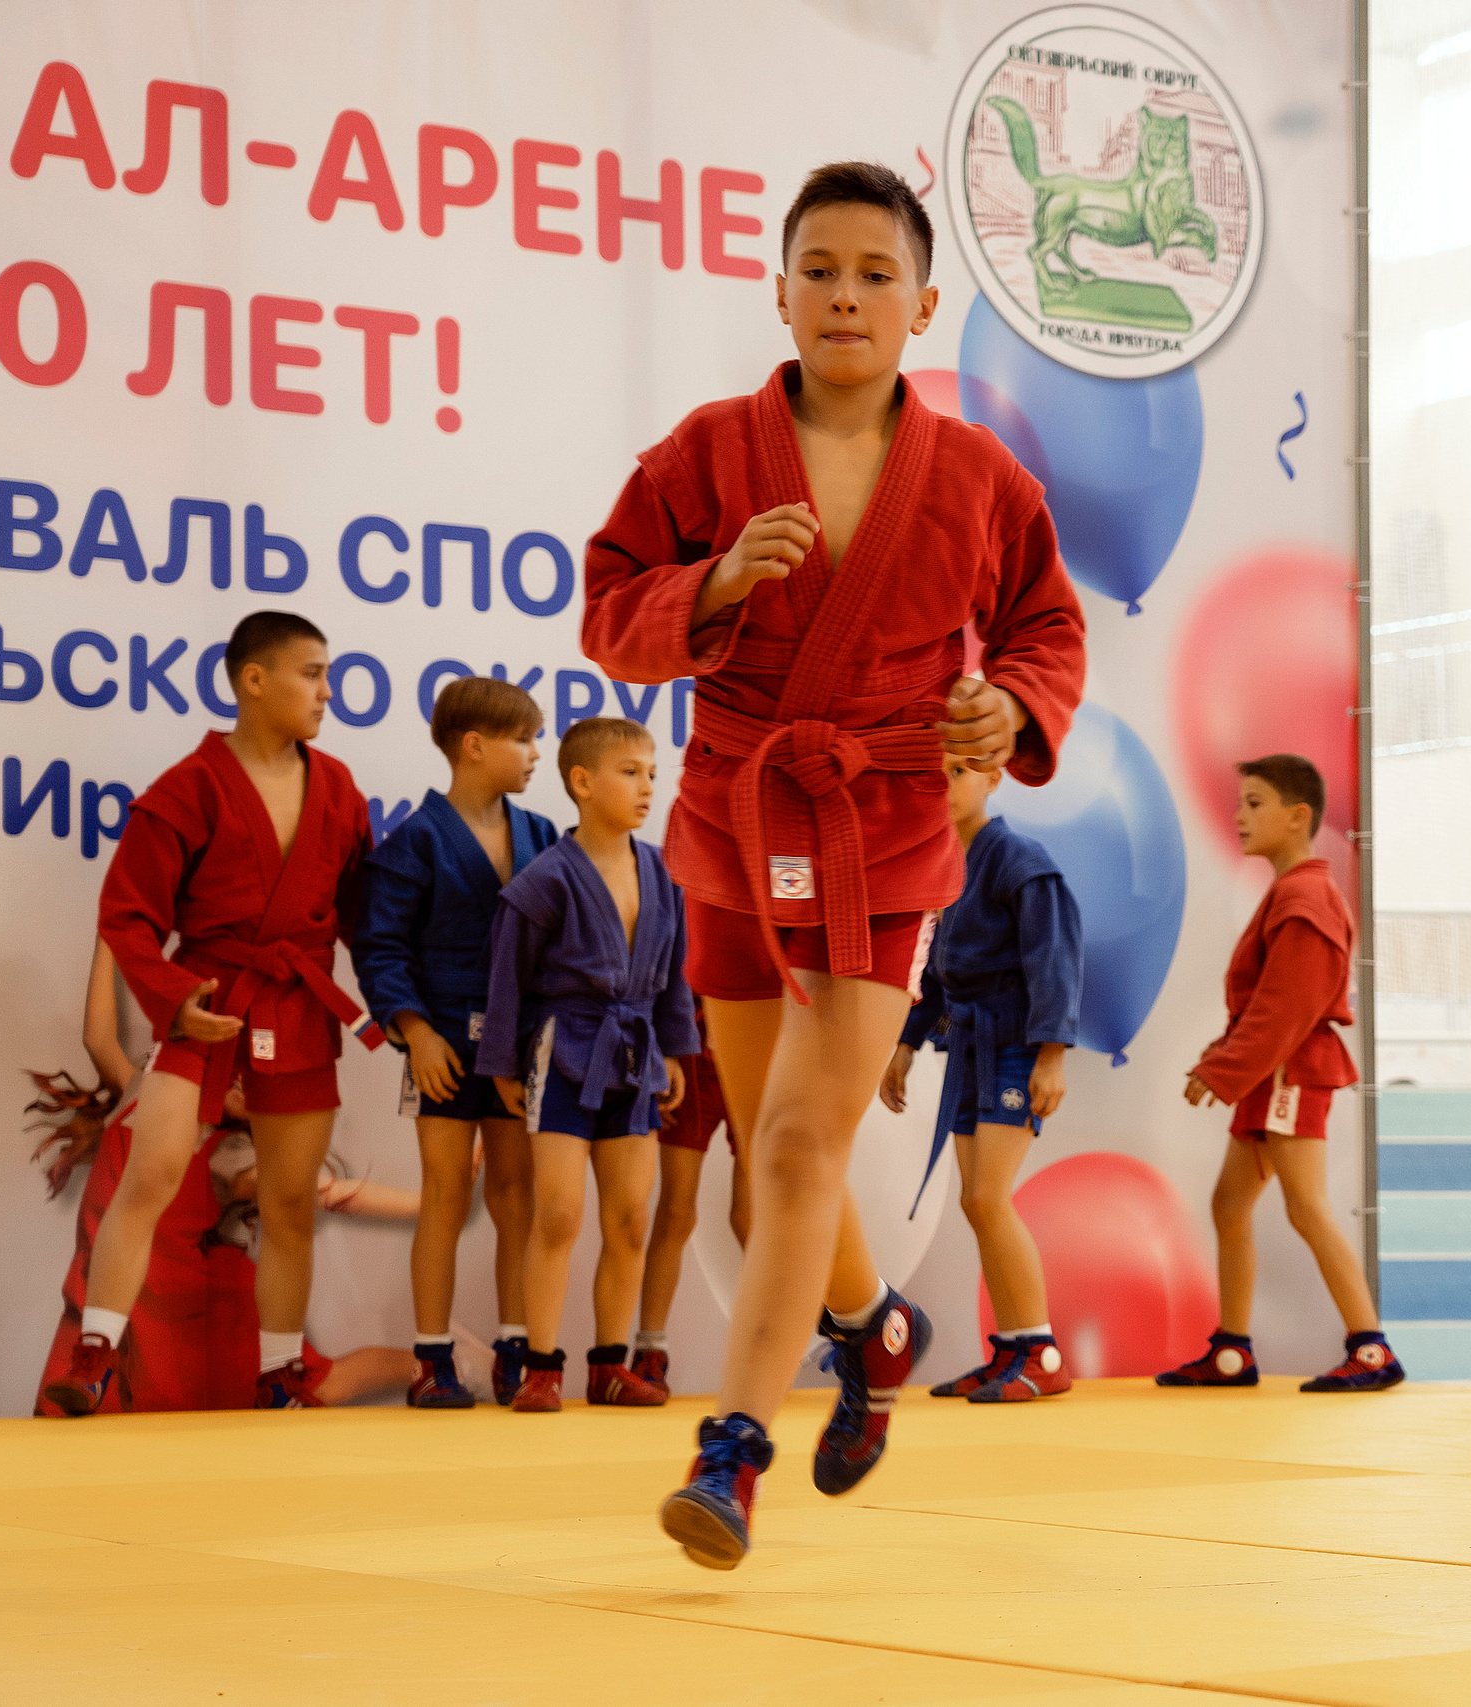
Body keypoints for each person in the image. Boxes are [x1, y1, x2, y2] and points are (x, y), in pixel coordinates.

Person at [579, 160, 1084, 1570]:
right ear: (781, 288)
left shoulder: (979, 475)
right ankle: (876, 1328)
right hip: (736, 827)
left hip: (884, 827)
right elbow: (609, 611)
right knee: (768, 1153)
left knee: (803, 1142)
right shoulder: (705, 450)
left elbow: (1044, 622)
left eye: (876, 272)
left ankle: (732, 1447)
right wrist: (717, 584)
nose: (847, 294)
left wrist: (1015, 705)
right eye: (821, 268)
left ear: (922, 303)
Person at [44, 611, 383, 1417]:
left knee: (290, 1203)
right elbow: (127, 915)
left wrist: (398, 1007)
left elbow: (365, 916)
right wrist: (173, 1002)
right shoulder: (187, 788)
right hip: (207, 1003)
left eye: (329, 676)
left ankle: (278, 1373)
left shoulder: (337, 788)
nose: (326, 692)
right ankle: (96, 1352)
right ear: (252, 679)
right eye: (311, 674)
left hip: (298, 1009)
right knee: (152, 1173)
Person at [35, 939, 421, 1414]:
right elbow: (97, 1037)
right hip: (110, 1303)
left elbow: (331, 1193)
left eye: (251, 1071)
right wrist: (112, 936)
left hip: (179, 1320)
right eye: (231, 1058)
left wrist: (433, 1203)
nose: (238, 1074)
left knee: (321, 1383)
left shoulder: (232, 1152)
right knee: (82, 1415)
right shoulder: (144, 1092)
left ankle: (439, 1364)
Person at [1157, 754, 1400, 1394]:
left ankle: (1371, 1349)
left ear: (1299, 818)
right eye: (1240, 803)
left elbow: (1286, 1007)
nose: (1239, 816)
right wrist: (1230, 1058)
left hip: (1289, 1073)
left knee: (1307, 1207)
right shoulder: (1294, 893)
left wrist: (1224, 1066)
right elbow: (1269, 999)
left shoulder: (1306, 896)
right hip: (1273, 1074)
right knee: (1230, 1203)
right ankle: (1232, 1349)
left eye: (1255, 803)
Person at [355, 676, 560, 1407]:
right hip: (440, 1039)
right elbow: (380, 946)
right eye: (523, 739)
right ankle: (432, 1356)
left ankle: (515, 1343)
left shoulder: (541, 837)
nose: (538, 753)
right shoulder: (416, 840)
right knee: (445, 1192)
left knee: (516, 1192)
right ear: (474, 746)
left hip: (515, 1044)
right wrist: (414, 1033)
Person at [480, 717, 695, 1412]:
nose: (646, 787)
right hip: (563, 1047)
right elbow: (507, 977)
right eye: (630, 772)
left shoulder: (662, 872)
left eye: (652, 774)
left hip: (635, 1053)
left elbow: (673, 976)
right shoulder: (547, 876)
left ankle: (610, 1364)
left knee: (631, 1216)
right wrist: (505, 1063)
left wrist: (675, 1048)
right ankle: (541, 1367)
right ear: (582, 781)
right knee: (561, 1214)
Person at [881, 753, 1083, 1403]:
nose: (944, 782)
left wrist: (1051, 1054)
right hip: (968, 1044)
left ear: (994, 777)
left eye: (961, 769)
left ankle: (1042, 1350)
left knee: (990, 1197)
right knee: (977, 1201)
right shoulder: (945, 868)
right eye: (932, 769)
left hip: (1016, 1045)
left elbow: (1056, 959)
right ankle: (1013, 1349)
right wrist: (907, 1044)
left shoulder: (1021, 860)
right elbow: (939, 970)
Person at [636, 1009, 744, 1398]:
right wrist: (670, 1047)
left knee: (752, 1219)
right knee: (677, 1212)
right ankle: (650, 1350)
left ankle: (770, 1349)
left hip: (755, 1046)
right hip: (695, 1051)